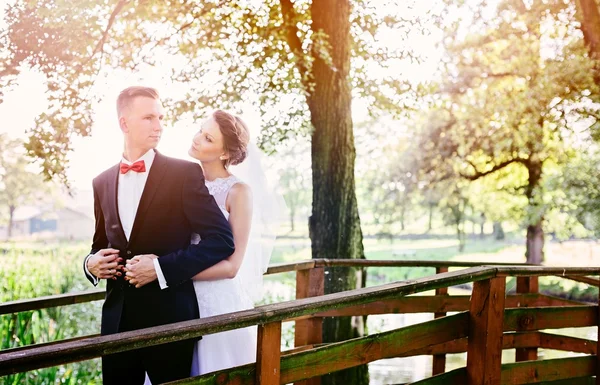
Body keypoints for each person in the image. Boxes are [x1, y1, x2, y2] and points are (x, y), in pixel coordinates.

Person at [83, 86, 234, 385]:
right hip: (116, 325)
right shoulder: (101, 182)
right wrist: (91, 264)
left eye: (161, 117)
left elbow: (221, 240)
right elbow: (99, 246)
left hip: (171, 322)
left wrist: (161, 268)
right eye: (149, 117)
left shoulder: (184, 174)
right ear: (124, 123)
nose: (159, 125)